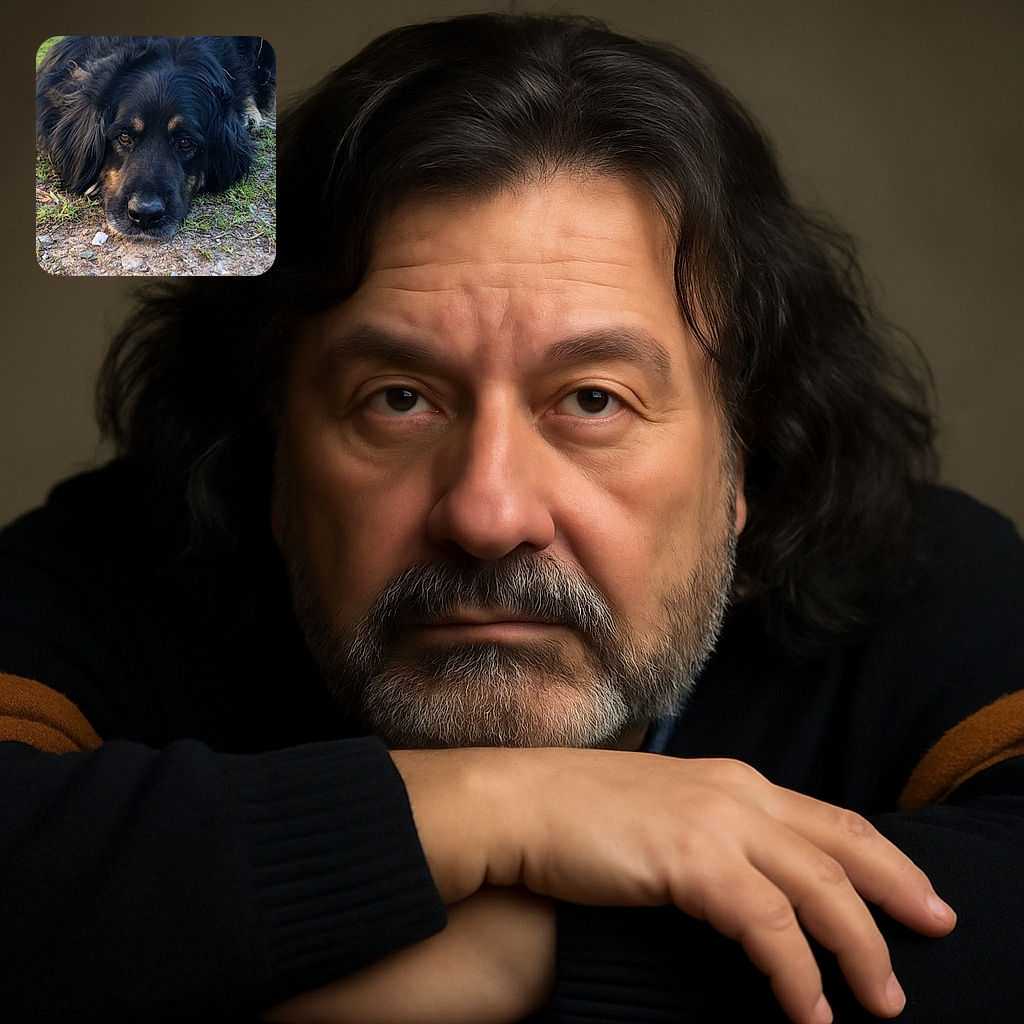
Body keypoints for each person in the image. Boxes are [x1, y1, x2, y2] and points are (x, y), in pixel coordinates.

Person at [1, 12, 1021, 1024]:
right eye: (397, 398)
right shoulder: (117, 568)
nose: (487, 515)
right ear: (271, 455)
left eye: (591, 400)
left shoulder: (931, 579)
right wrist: (511, 812)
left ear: (745, 455)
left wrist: (521, 956)